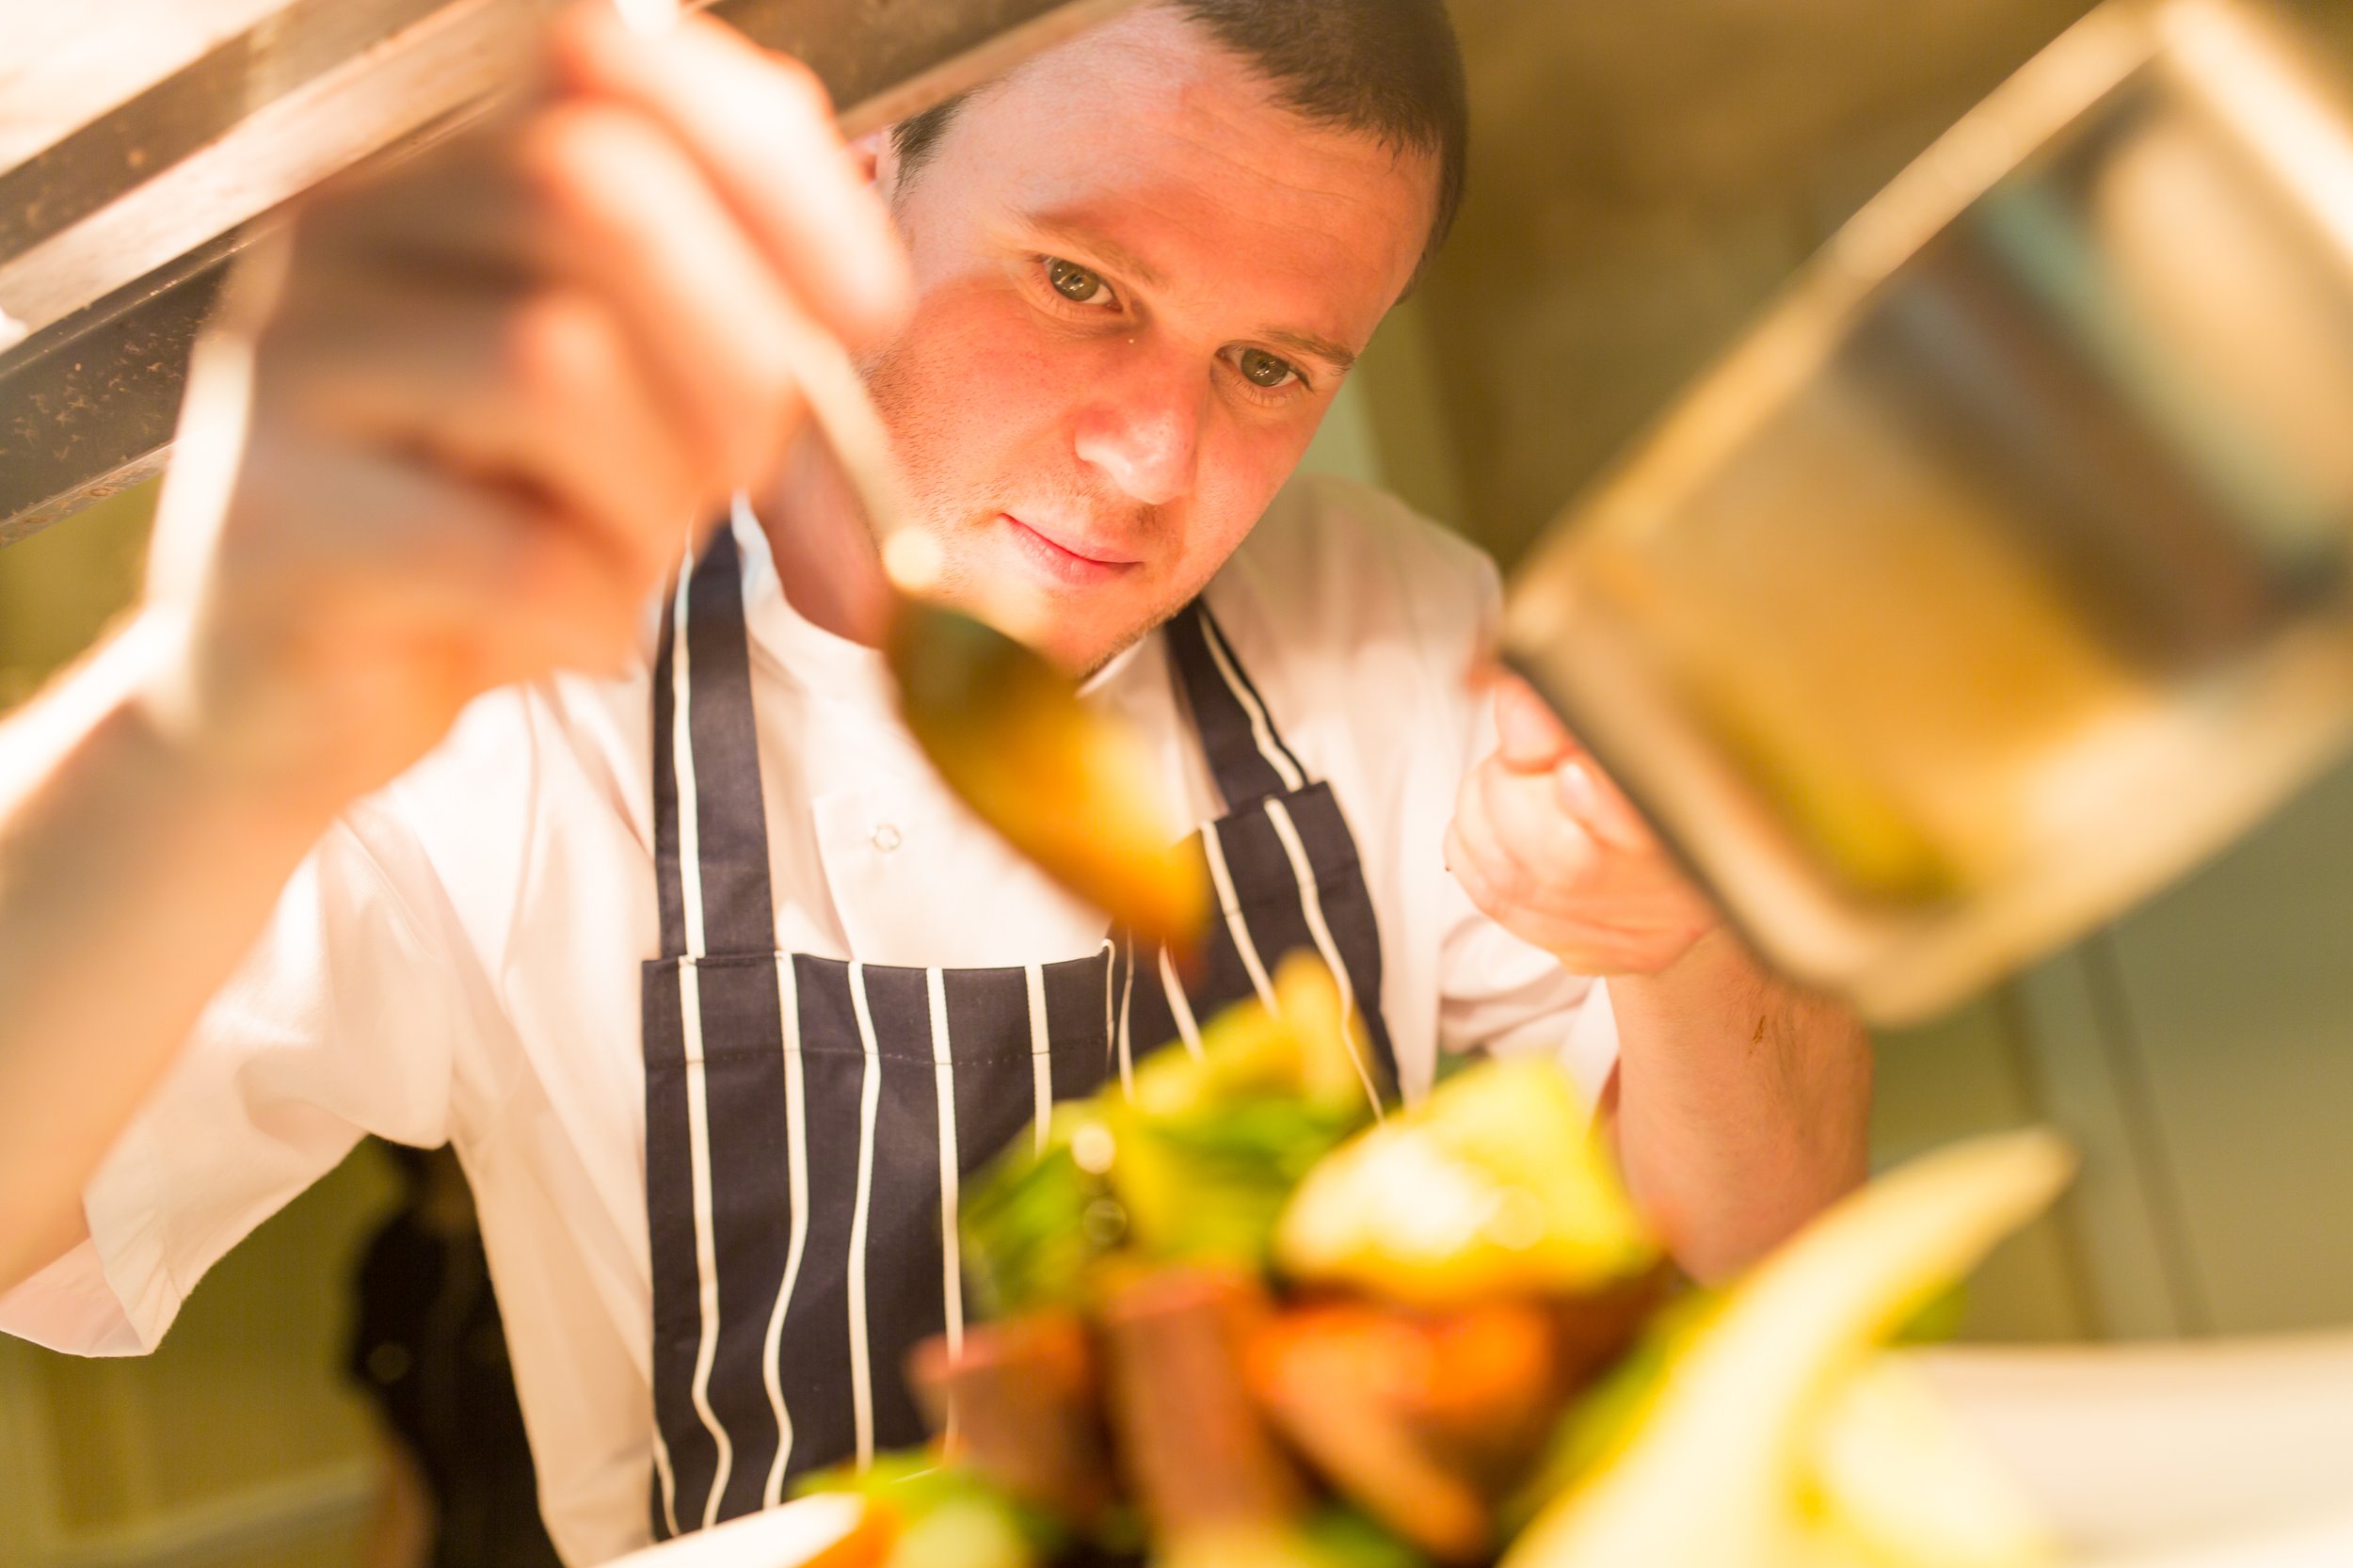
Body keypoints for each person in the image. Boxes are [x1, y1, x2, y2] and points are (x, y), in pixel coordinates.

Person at [0, 1, 1872, 1560]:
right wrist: (211, 723)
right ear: (851, 179)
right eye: (1078, 282)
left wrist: (1690, 930)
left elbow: (1751, 1284)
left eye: (1269, 364)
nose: (1154, 458)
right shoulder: (512, 685)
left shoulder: (1388, 618)